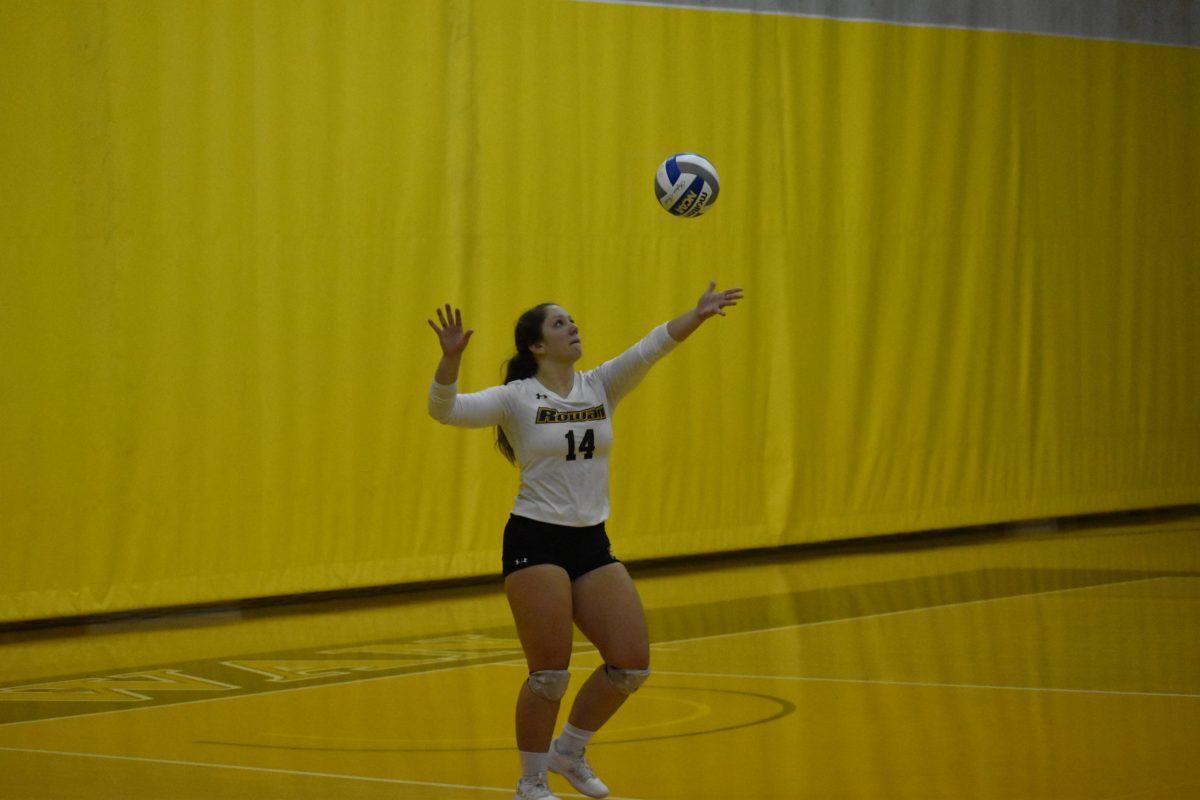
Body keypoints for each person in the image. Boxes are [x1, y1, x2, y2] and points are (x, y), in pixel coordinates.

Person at [427, 282, 744, 800]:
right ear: (536, 346)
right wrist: (449, 360)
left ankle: (568, 751)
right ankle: (530, 782)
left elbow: (654, 346)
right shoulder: (515, 398)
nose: (572, 328)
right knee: (549, 674)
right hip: (536, 541)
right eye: (559, 324)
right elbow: (445, 410)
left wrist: (699, 314)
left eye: (572, 321)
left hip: (591, 541)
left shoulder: (600, 386)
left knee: (631, 663)